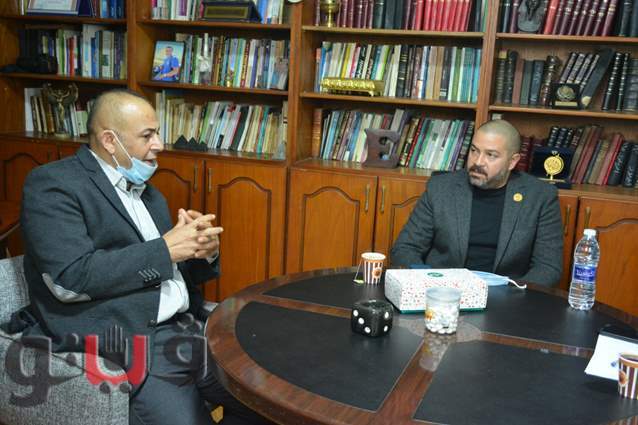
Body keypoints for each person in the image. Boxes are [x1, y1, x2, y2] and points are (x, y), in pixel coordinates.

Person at [18, 89, 270, 424]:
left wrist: (202, 252)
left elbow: (165, 271)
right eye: (147, 135)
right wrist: (165, 249)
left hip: (188, 331)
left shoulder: (150, 195)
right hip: (135, 343)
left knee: (270, 405)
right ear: (110, 141)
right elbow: (70, 279)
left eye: (157, 133)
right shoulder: (54, 185)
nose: (159, 144)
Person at [390, 119, 563, 286]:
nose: (478, 162)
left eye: (491, 155)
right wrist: (429, 282)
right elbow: (406, 248)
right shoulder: (441, 188)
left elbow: (548, 267)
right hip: (443, 291)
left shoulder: (540, 197)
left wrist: (514, 294)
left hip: (506, 296)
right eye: (474, 151)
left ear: (512, 162)